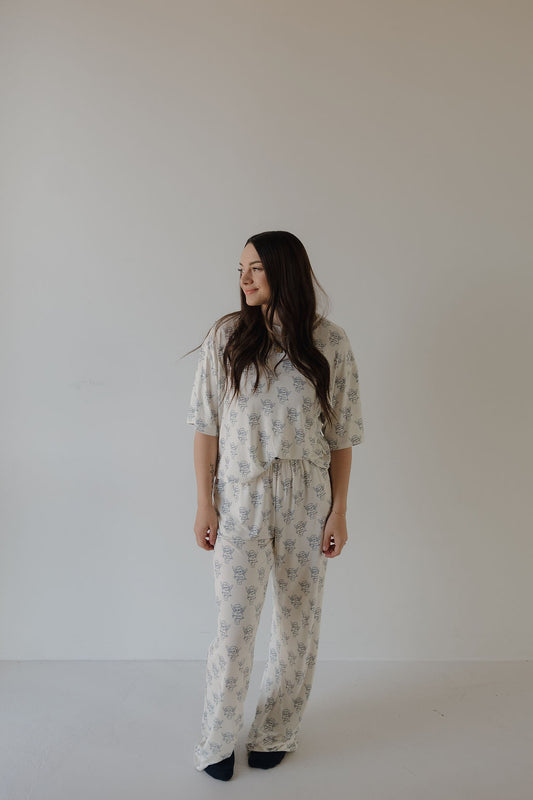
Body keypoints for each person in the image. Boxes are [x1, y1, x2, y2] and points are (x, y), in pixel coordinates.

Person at [185, 230, 364, 781]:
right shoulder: (226, 338)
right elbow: (206, 427)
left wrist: (338, 512)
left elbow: (341, 436)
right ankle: (217, 739)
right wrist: (204, 503)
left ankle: (275, 731)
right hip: (241, 496)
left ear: (285, 270)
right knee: (233, 629)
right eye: (240, 269)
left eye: (256, 268)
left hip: (307, 499)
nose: (244, 279)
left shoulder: (330, 342)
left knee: (297, 627)